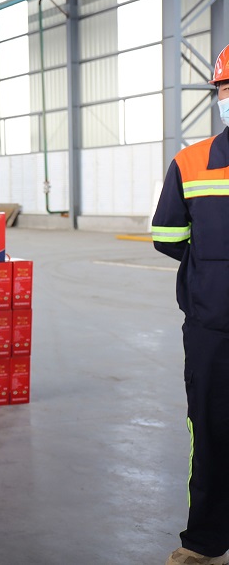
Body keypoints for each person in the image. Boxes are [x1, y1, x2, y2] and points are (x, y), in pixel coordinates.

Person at [152, 44, 229, 565]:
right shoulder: (191, 161)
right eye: (225, 88)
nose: (228, 96)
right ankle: (204, 542)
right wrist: (214, 271)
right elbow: (168, 236)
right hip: (212, 330)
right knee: (212, 431)